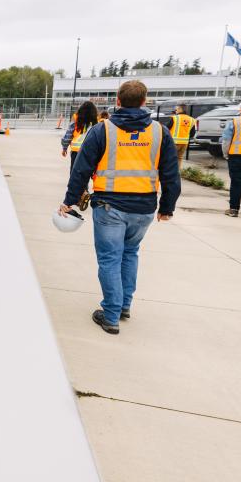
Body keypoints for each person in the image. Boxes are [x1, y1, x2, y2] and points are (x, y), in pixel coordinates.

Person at [58, 80, 181, 335]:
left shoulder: (103, 130)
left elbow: (81, 170)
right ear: (145, 101)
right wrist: (167, 207)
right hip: (145, 207)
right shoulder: (160, 132)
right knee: (130, 253)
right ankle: (124, 306)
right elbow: (171, 174)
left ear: (117, 100)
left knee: (110, 258)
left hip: (109, 206)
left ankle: (111, 314)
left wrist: (69, 201)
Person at [60, 100, 99, 171]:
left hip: (76, 152)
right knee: (86, 174)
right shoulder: (96, 120)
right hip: (90, 151)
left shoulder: (76, 118)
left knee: (74, 174)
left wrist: (64, 148)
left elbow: (68, 135)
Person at [168, 103, 196, 168]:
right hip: (184, 143)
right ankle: (177, 174)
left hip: (174, 142)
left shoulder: (175, 118)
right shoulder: (191, 119)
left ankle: (170, 174)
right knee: (179, 158)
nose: (176, 110)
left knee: (170, 158)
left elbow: (166, 129)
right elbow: (192, 133)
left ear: (180, 109)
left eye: (177, 109)